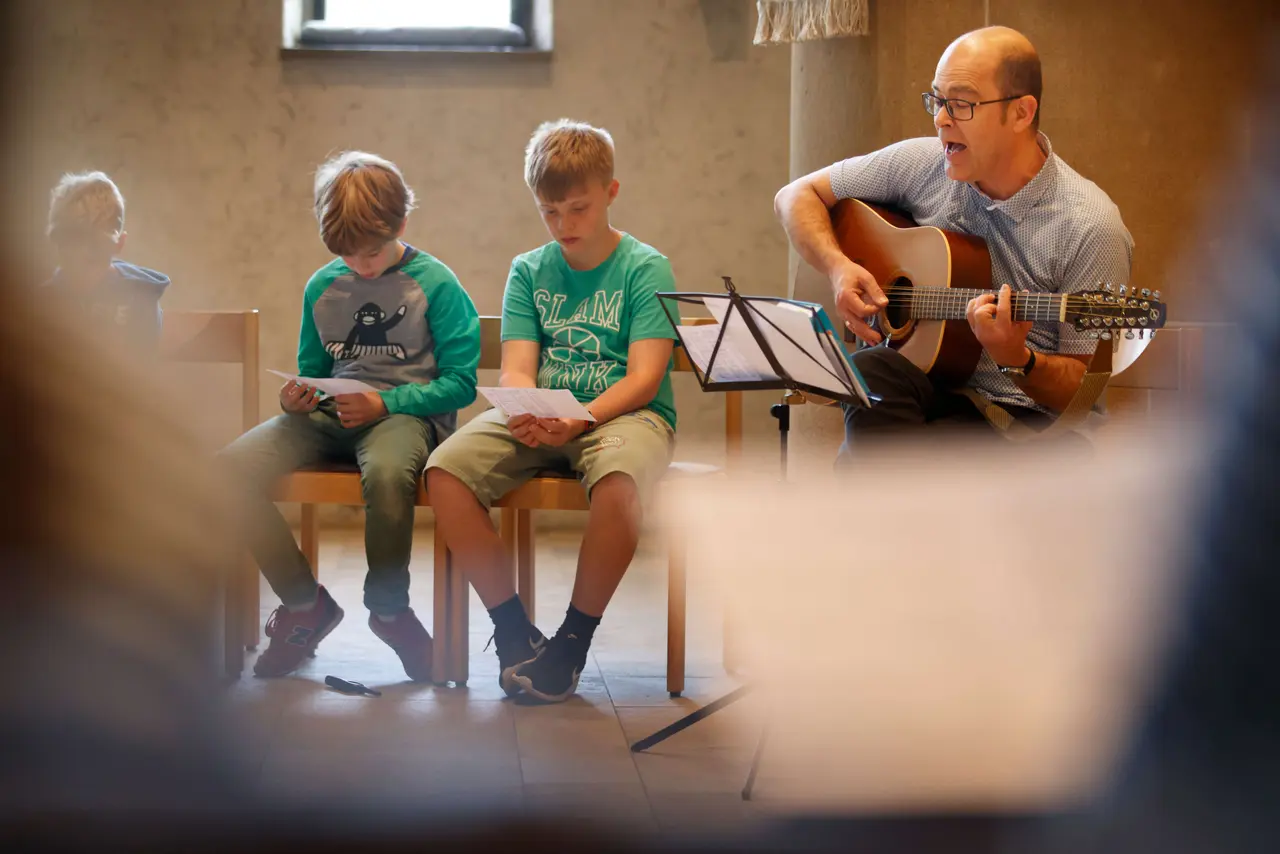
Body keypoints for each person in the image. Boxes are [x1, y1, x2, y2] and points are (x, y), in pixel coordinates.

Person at [773, 26, 1134, 458]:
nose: (941, 119)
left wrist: (1017, 357)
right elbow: (795, 196)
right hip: (933, 390)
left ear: (1021, 113)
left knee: (877, 460)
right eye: (936, 100)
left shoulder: (1091, 226)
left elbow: (1082, 394)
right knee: (872, 370)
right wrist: (838, 268)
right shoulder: (922, 164)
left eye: (961, 104)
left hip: (1028, 426)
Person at [426, 119, 679, 704]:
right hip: (544, 413)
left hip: (624, 416)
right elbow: (516, 365)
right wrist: (522, 405)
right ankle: (513, 631)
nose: (564, 225)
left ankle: (570, 643)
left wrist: (581, 417)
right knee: (444, 472)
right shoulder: (529, 269)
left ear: (611, 193)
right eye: (549, 212)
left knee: (617, 487)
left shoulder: (645, 267)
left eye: (577, 209)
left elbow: (644, 379)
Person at [220, 151, 480, 681]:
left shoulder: (436, 283)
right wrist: (298, 399)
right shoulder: (322, 287)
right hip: (329, 416)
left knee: (387, 476)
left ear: (401, 224)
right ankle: (303, 604)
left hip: (404, 417)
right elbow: (312, 372)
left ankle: (388, 610)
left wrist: (385, 402)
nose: (361, 265)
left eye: (373, 252)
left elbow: (461, 384)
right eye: (348, 255)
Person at [41, 171, 170, 350]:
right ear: (57, 245)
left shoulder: (140, 299)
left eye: (92, 259)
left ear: (119, 245)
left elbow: (143, 364)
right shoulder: (44, 304)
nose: (81, 272)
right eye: (69, 258)